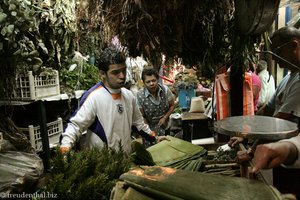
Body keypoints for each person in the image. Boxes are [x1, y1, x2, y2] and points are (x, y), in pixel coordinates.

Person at [60, 46, 164, 155]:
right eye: (115, 72)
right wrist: (65, 149)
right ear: (102, 74)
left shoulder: (129, 96)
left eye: (123, 70)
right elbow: (75, 125)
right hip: (103, 164)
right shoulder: (93, 97)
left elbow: (139, 124)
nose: (122, 76)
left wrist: (155, 138)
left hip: (125, 161)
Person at [137, 68, 175, 139]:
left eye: (154, 80)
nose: (151, 84)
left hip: (165, 126)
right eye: (148, 82)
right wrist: (149, 132)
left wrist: (165, 117)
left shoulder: (165, 90)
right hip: (149, 130)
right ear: (144, 82)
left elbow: (172, 105)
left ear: (157, 79)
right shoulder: (140, 95)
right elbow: (142, 116)